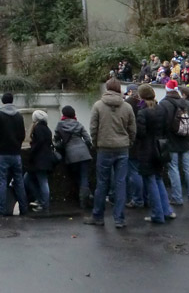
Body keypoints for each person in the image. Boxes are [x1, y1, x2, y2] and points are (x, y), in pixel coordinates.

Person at [85, 79, 136, 228]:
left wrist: (96, 144)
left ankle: (98, 216)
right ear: (120, 89)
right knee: (120, 183)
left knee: (102, 183)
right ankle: (119, 219)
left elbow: (93, 128)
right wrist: (129, 142)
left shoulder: (98, 106)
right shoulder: (127, 107)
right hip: (122, 147)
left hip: (104, 147)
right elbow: (132, 129)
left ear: (107, 88)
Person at [135, 84, 174, 224]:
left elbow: (140, 133)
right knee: (158, 179)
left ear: (141, 96)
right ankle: (166, 210)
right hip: (160, 148)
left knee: (150, 181)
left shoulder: (142, 112)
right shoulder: (161, 109)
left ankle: (157, 214)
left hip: (147, 150)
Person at [0, 92, 28, 216]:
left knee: (2, 182)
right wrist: (18, 146)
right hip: (16, 154)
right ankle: (23, 207)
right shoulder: (18, 116)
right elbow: (22, 135)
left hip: (3, 153)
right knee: (19, 182)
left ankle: (0, 209)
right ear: (12, 101)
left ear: (2, 101)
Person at [160, 80, 189, 205]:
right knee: (188, 167)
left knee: (173, 168)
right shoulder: (187, 103)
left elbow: (164, 124)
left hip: (171, 141)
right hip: (186, 139)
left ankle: (177, 197)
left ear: (167, 89)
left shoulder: (164, 104)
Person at [54, 105, 93, 209]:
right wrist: (87, 147)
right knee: (84, 177)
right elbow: (88, 139)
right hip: (84, 153)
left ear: (64, 114)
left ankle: (84, 198)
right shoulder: (78, 124)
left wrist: (61, 146)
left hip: (71, 155)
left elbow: (56, 142)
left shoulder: (59, 125)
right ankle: (85, 199)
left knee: (76, 176)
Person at [25, 110, 55, 213]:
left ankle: (43, 203)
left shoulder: (37, 128)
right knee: (34, 179)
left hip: (39, 160)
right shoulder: (47, 129)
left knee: (39, 181)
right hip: (46, 159)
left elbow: (37, 144)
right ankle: (40, 200)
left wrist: (32, 150)